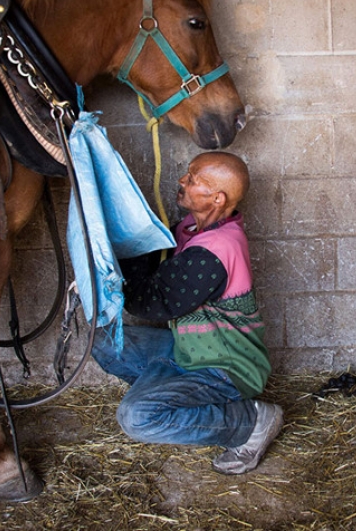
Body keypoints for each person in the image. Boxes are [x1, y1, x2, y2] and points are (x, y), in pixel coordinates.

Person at [92, 151, 282, 475]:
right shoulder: (194, 226)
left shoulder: (216, 250)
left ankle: (248, 423)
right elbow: (152, 249)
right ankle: (175, 399)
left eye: (193, 180)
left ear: (217, 198)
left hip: (224, 366)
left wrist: (112, 273)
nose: (183, 181)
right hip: (187, 349)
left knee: (136, 418)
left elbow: (152, 302)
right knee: (102, 343)